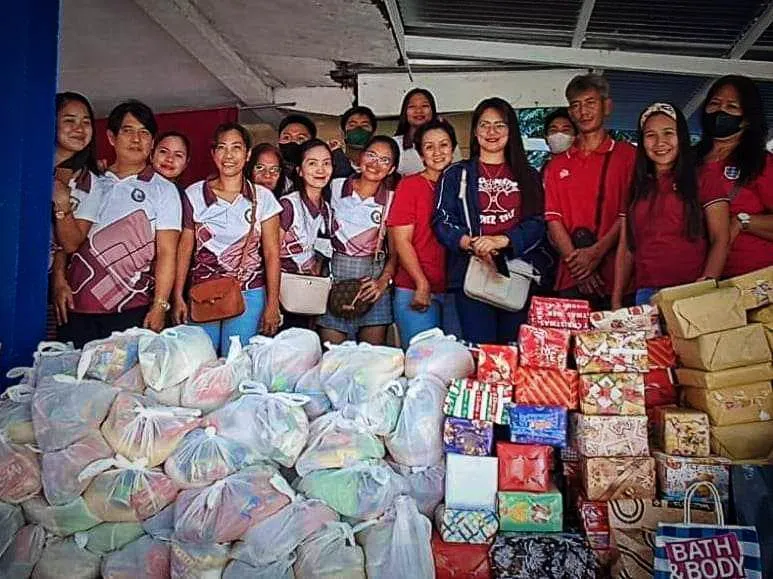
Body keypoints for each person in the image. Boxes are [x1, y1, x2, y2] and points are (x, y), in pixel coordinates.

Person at [58, 100, 181, 347]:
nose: (137, 139)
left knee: (123, 383)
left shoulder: (163, 190)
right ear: (111, 137)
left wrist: (160, 306)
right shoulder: (87, 179)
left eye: (144, 133)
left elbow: (168, 252)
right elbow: (62, 240)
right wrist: (59, 279)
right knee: (73, 380)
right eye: (128, 131)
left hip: (131, 307)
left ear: (152, 142)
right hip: (77, 304)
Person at [434, 97, 546, 344]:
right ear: (475, 131)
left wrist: (502, 240)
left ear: (511, 130)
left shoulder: (528, 175)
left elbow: (538, 223)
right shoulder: (456, 173)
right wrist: (472, 243)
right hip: (471, 275)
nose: (491, 132)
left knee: (512, 353)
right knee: (480, 351)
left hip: (515, 275)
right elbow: (442, 220)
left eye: (500, 125)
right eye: (484, 125)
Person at [173, 122, 282, 353]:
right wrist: (177, 297)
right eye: (222, 148)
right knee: (202, 360)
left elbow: (272, 254)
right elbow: (184, 251)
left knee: (237, 361)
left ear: (247, 154)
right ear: (213, 154)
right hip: (203, 292)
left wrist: (272, 304)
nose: (229, 155)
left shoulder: (263, 198)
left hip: (249, 292)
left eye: (236, 148)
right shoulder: (194, 194)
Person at [612, 103, 730, 308]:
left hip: (691, 291)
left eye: (668, 133)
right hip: (646, 294)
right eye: (650, 135)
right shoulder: (636, 186)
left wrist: (707, 284)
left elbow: (721, 238)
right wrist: (616, 297)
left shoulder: (703, 177)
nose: (660, 142)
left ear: (681, 136)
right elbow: (627, 248)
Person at [544, 74, 636, 309]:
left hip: (619, 277)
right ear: (570, 112)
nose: (583, 111)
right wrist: (579, 268)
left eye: (590, 102)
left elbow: (630, 213)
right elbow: (554, 219)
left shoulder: (629, 156)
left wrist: (596, 253)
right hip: (571, 278)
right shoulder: (557, 165)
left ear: (607, 106)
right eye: (576, 105)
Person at [317, 136, 399, 345]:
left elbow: (396, 252)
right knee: (332, 360)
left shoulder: (392, 200)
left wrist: (382, 283)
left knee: (370, 363)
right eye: (371, 155)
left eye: (384, 160)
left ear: (391, 169)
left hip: (372, 284)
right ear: (361, 158)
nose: (375, 163)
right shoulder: (334, 187)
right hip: (334, 280)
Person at [388, 118, 458, 346]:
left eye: (444, 145)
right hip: (414, 288)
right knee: (423, 365)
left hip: (458, 291)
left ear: (454, 148)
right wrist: (422, 283)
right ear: (420, 154)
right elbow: (402, 240)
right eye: (429, 147)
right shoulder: (410, 186)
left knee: (458, 364)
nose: (437, 152)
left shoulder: (463, 185)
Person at [695, 75, 773, 278]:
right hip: (693, 279)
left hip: (753, 282)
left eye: (732, 106)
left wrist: (742, 222)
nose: (721, 111)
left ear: (747, 118)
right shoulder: (689, 160)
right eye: (714, 103)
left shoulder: (761, 163)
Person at [50, 92, 101, 331]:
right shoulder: (20, 161)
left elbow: (71, 243)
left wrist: (62, 203)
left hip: (40, 277)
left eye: (86, 122)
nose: (79, 128)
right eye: (69, 120)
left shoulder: (88, 181)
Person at [278, 139, 334, 329]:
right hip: (279, 293)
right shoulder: (288, 205)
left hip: (305, 295)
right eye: (312, 163)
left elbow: (320, 254)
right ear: (300, 171)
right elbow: (268, 254)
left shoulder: (327, 209)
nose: (320, 170)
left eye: (326, 163)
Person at [393, 88, 461, 176]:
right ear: (405, 112)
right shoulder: (395, 144)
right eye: (412, 107)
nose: (418, 111)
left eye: (424, 106)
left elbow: (458, 172)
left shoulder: (446, 140)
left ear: (433, 110)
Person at [332, 105, 378, 178]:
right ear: (343, 132)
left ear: (374, 133)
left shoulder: (378, 166)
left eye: (365, 125)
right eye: (352, 125)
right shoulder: (332, 161)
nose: (358, 129)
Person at [277, 114, 317, 193]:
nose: (293, 142)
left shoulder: (319, 173)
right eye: (286, 137)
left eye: (300, 138)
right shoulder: (269, 173)